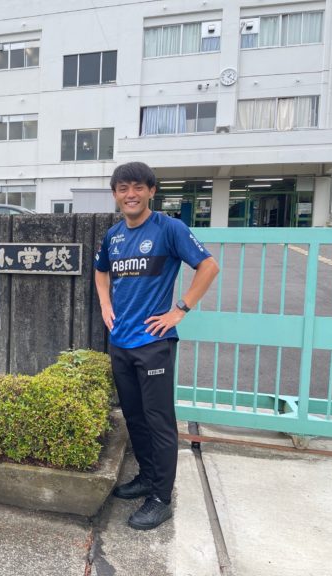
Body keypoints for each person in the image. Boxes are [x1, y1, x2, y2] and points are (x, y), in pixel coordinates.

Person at [94, 162, 218, 530]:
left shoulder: (169, 229)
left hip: (154, 343)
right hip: (120, 342)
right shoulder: (114, 235)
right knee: (134, 417)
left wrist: (180, 309)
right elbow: (100, 270)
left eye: (137, 187)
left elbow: (209, 266)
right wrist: (105, 304)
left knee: (159, 421)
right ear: (115, 195)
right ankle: (147, 477)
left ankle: (161, 498)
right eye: (123, 189)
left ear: (151, 191)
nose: (130, 194)